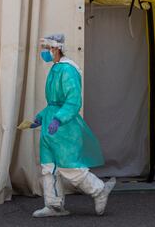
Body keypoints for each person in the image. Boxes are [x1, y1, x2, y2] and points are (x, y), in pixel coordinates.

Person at [22, 33, 116, 218]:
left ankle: (99, 190)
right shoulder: (56, 68)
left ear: (55, 48)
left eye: (46, 48)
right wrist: (40, 118)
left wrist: (59, 119)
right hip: (52, 124)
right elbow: (53, 103)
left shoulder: (67, 70)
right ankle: (54, 206)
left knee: (69, 166)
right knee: (49, 167)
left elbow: (73, 101)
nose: (43, 53)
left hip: (63, 128)